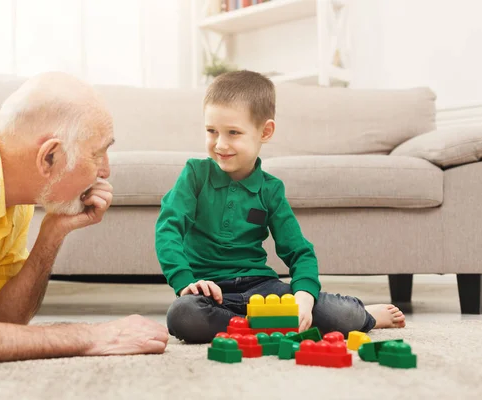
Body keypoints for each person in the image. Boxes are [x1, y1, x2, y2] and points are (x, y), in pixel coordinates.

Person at [0, 72, 168, 363]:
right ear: (49, 157)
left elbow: (2, 324)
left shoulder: (12, 196)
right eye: (97, 154)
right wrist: (92, 335)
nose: (105, 171)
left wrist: (52, 234)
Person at [155, 70, 406, 343]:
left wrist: (303, 299)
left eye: (233, 133)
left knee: (341, 314)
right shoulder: (194, 174)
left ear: (265, 131)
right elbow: (167, 229)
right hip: (211, 294)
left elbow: (300, 252)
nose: (220, 144)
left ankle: (365, 316)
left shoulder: (271, 190)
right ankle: (271, 326)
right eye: (211, 131)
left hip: (263, 289)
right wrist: (185, 283)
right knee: (182, 315)